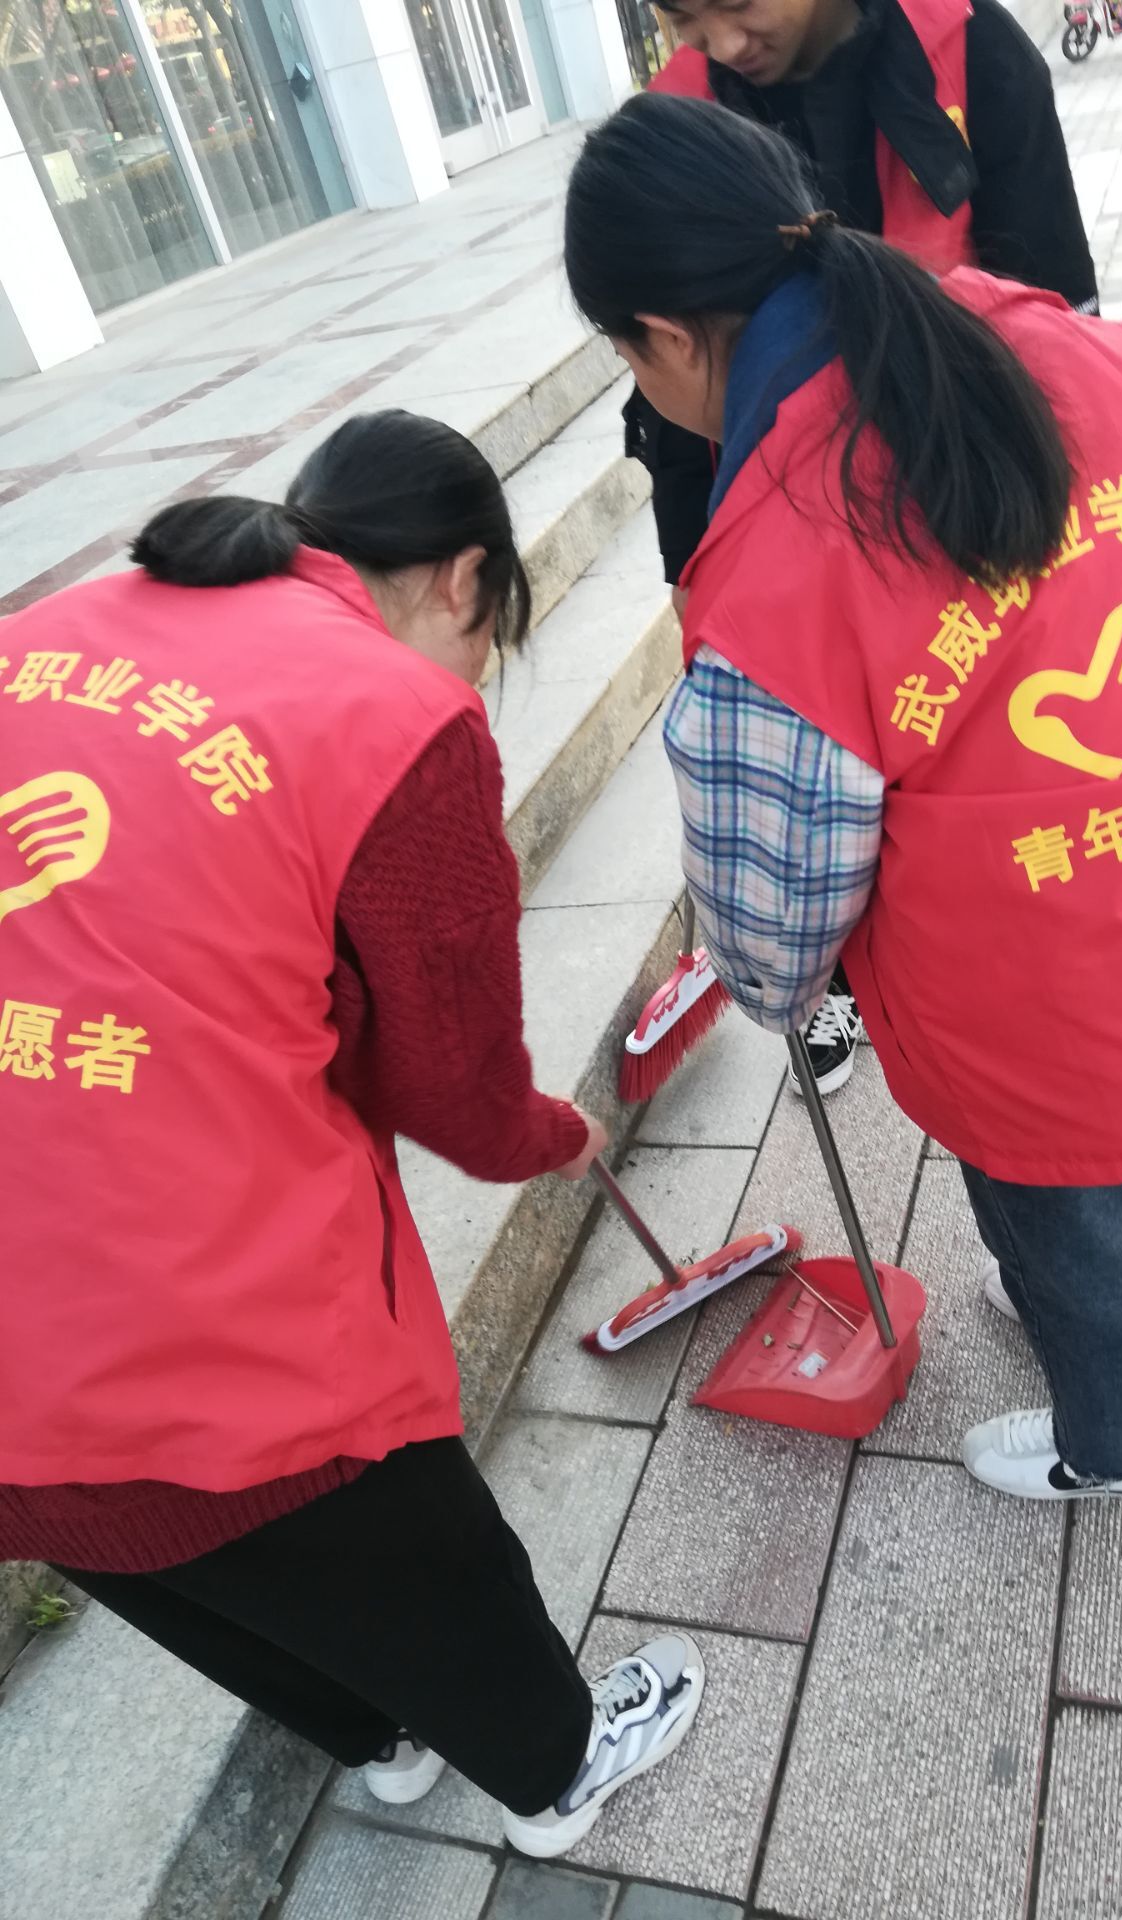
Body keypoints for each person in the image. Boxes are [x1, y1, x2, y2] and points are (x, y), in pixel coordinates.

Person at [564, 96, 1122, 1500]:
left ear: (662, 338)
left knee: (1063, 1222)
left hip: (1041, 1005)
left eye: (628, 362)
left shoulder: (777, 562)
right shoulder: (1061, 340)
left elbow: (775, 912)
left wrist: (779, 993)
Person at [0, 411, 702, 1855]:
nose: (478, 677)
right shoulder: (393, 722)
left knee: (159, 1561)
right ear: (463, 579)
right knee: (413, 1550)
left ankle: (384, 1737)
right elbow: (447, 1088)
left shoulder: (45, 635)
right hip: (201, 1305)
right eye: (492, 639)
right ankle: (560, 1769)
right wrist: (550, 1133)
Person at [632, 0, 1100, 1096]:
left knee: (981, 785)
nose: (722, 43)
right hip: (789, 546)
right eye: (685, 16)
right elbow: (669, 404)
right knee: (829, 798)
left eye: (738, 5)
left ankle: (1021, 954)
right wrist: (689, 575)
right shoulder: (685, 113)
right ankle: (848, 984)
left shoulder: (973, 57)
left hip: (967, 528)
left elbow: (1061, 324)